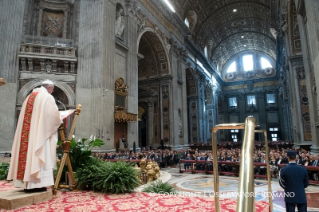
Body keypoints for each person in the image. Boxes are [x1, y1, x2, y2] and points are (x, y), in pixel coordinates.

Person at [7, 79, 62, 192]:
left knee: (28, 155)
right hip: (40, 135)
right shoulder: (47, 97)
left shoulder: (30, 97)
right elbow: (53, 117)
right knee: (39, 153)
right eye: (52, 89)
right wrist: (60, 117)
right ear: (50, 88)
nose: (52, 91)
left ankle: (27, 184)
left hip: (28, 135)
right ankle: (36, 184)